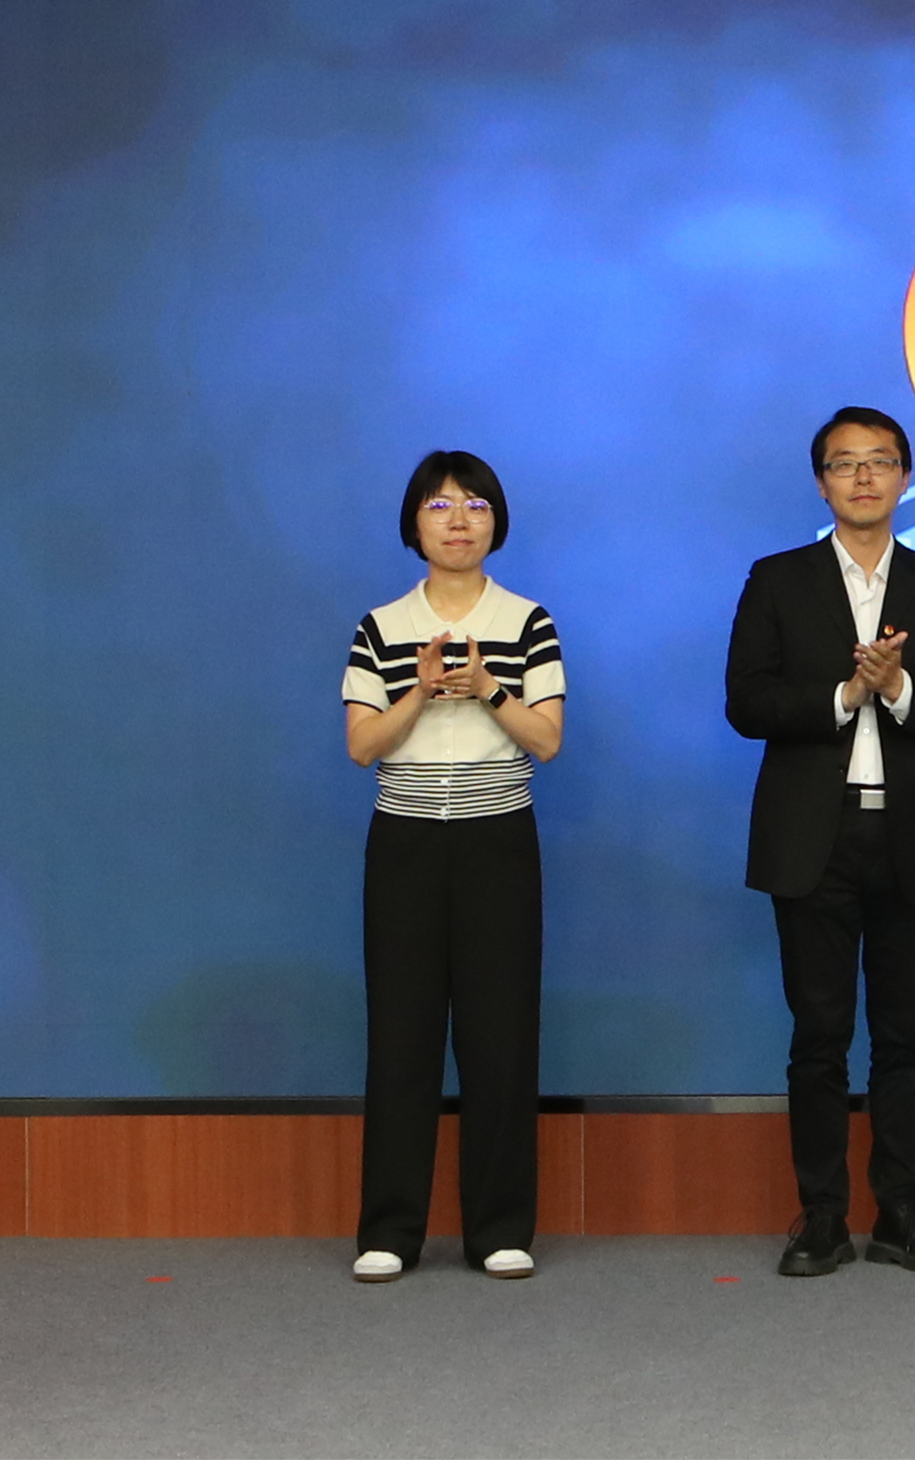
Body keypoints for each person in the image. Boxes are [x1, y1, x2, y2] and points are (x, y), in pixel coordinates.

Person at [725, 406, 915, 1277]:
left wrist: (900, 685)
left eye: (880, 461)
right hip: (813, 835)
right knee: (819, 1036)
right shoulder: (777, 579)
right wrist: (845, 693)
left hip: (910, 835)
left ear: (905, 477)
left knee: (904, 1038)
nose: (863, 476)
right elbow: (746, 701)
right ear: (821, 482)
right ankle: (822, 1215)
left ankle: (902, 1213)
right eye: (845, 463)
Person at [341, 450, 565, 1283]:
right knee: (400, 1033)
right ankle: (389, 1230)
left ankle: (500, 1228)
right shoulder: (381, 625)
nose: (459, 519)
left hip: (497, 840)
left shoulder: (529, 621)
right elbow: (361, 746)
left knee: (499, 1034)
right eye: (439, 505)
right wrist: (421, 689)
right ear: (414, 523)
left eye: (475, 504)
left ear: (496, 521)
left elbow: (548, 739)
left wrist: (488, 688)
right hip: (405, 843)